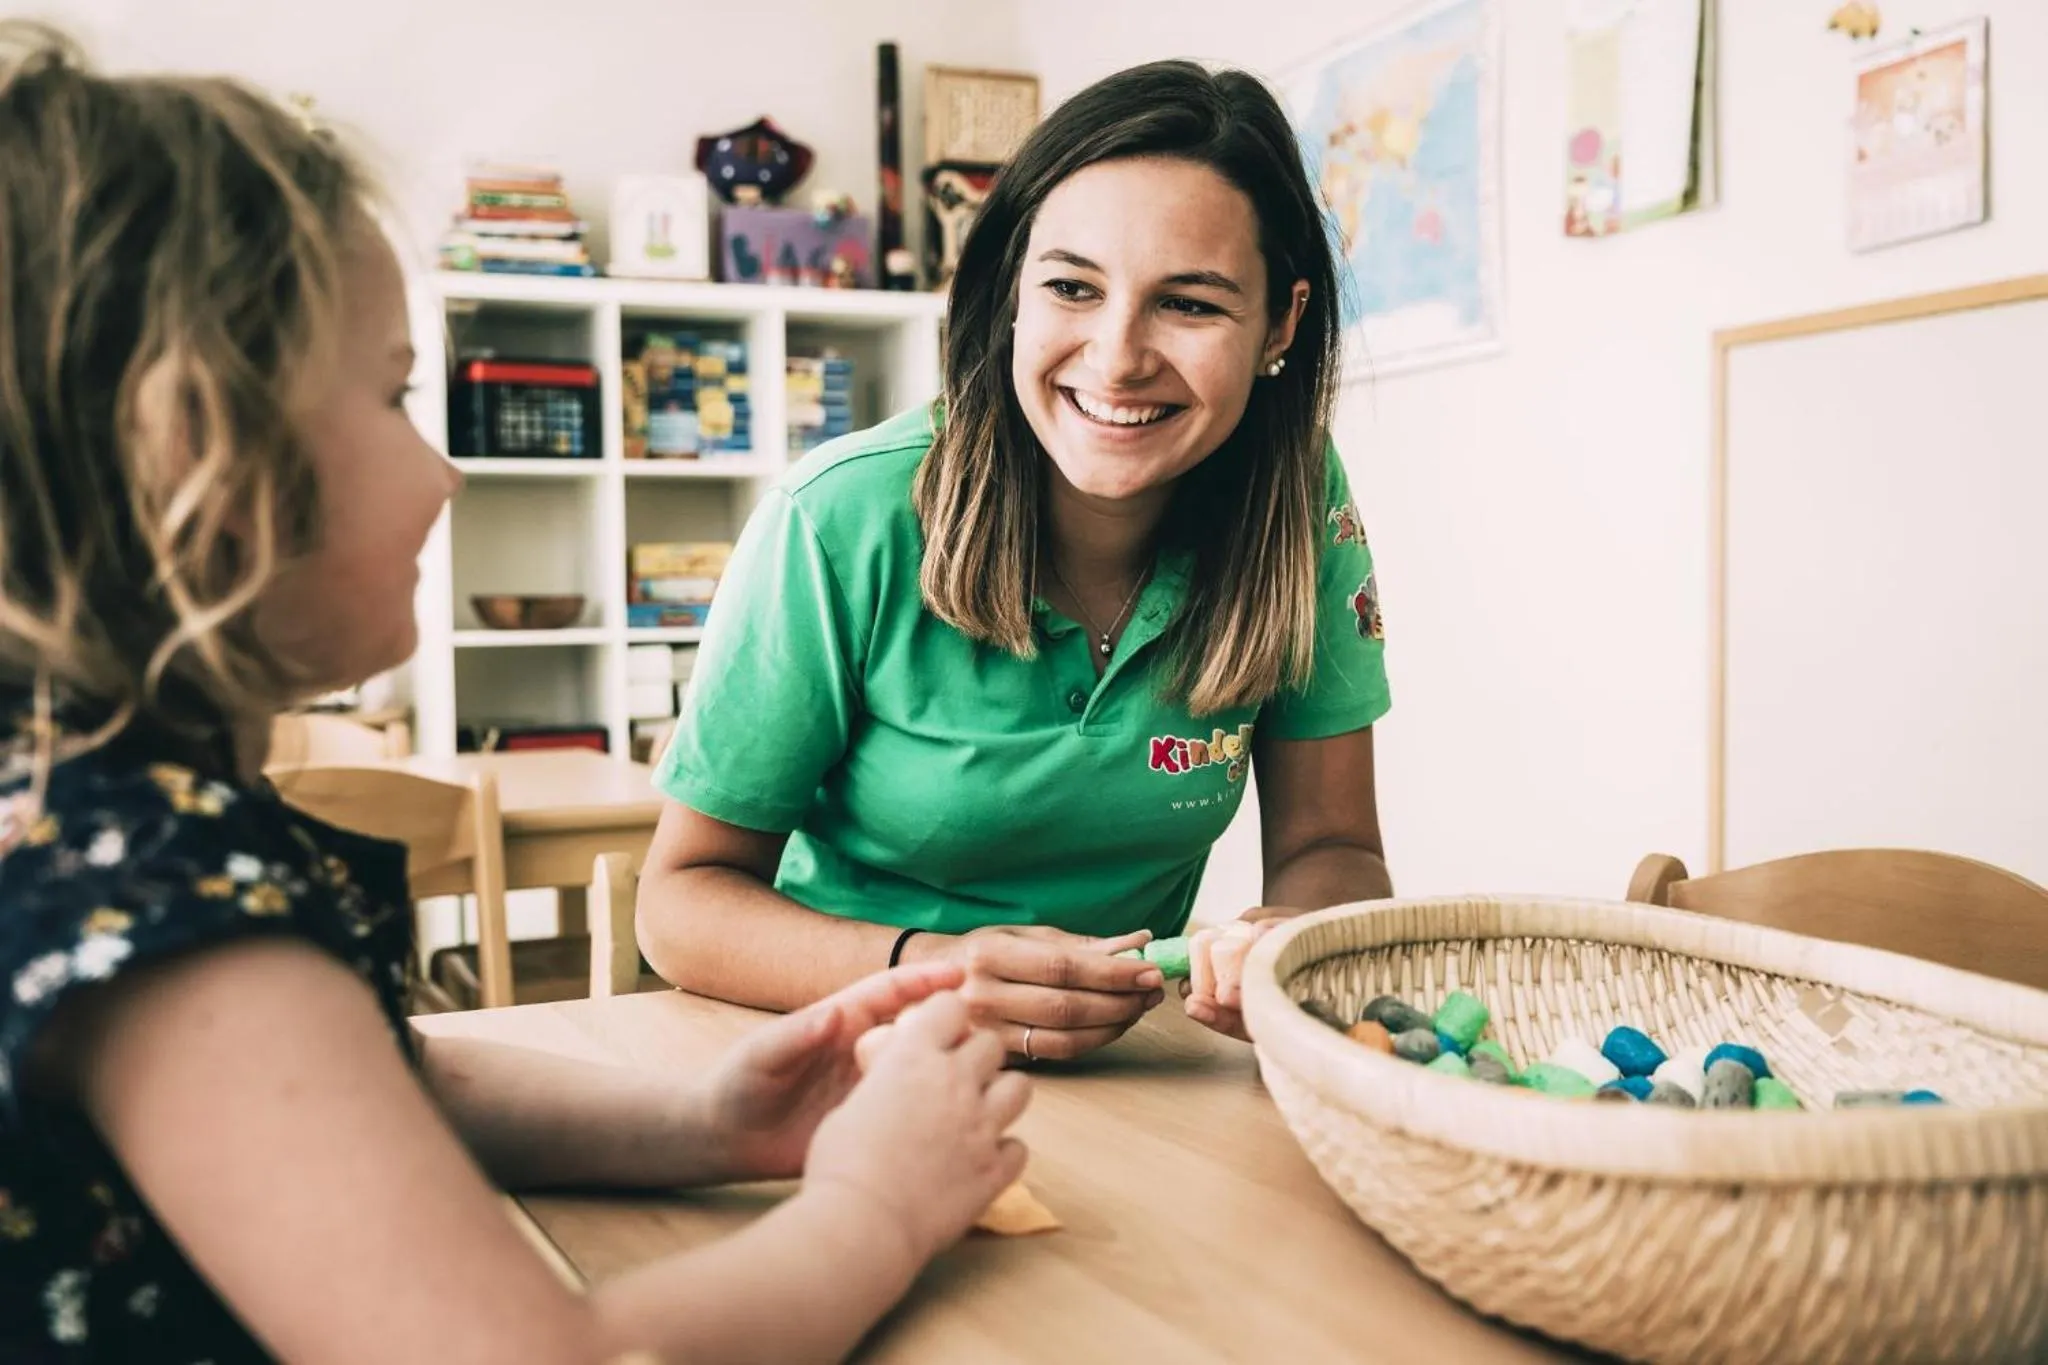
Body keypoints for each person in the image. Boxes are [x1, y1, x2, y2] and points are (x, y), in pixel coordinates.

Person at [0, 26, 1027, 1364]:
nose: (447, 475)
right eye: (392, 396)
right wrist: (877, 1204)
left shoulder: (86, 809)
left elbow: (377, 1082)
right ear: (196, 452)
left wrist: (710, 1123)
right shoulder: (153, 893)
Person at [642, 58, 1394, 1063]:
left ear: (1281, 325)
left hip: (1137, 1076)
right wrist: (931, 969)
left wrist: (1283, 943)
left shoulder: (1300, 504)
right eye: (1072, 288)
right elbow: (679, 906)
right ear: (1009, 294)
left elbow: (1330, 849)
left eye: (1190, 304)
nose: (1117, 356)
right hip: (842, 1057)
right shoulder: (838, 519)